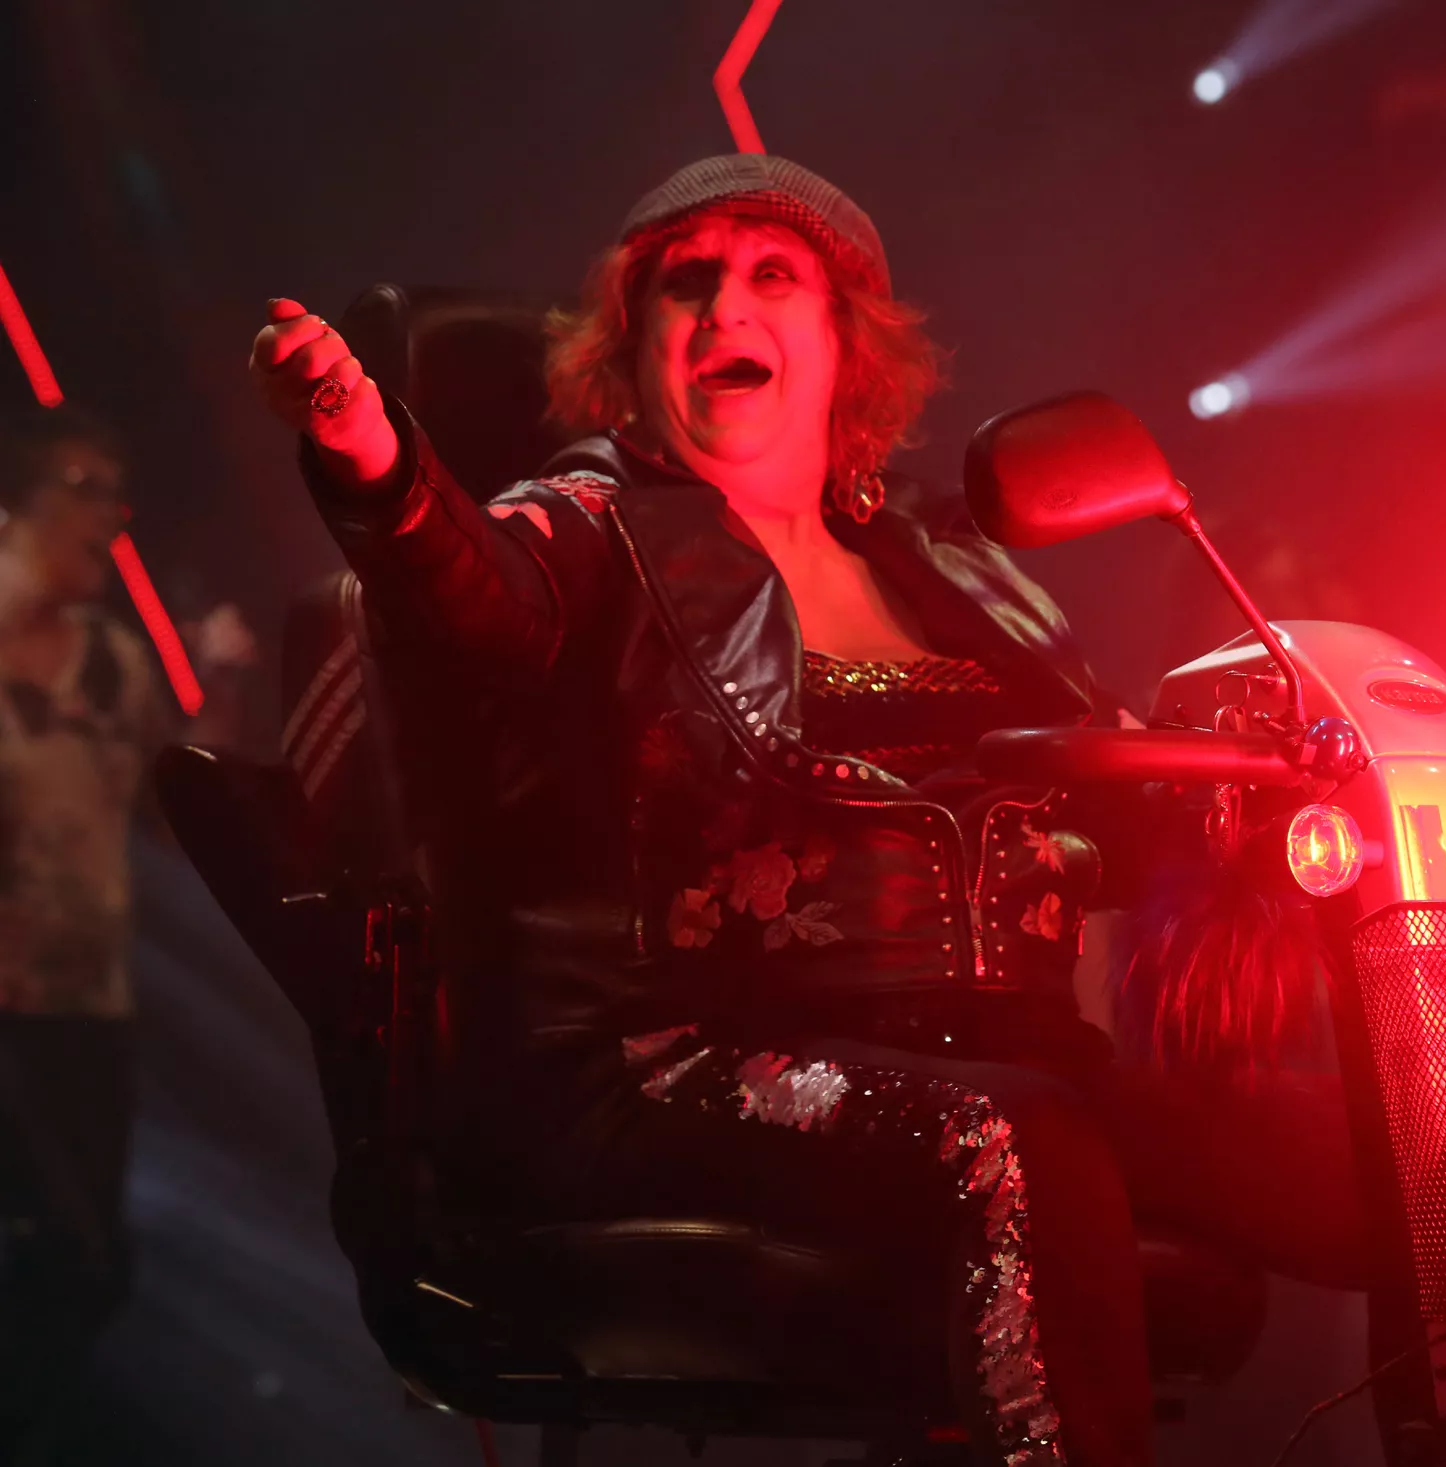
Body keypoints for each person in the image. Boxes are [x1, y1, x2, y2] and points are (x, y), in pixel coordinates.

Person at [249, 154, 1364, 1467]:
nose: (725, 306)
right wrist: (375, 462)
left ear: (847, 347)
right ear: (634, 350)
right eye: (686, 284)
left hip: (1007, 1052)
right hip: (683, 1064)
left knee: (1389, 1152)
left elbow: (1098, 794)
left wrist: (1255, 782)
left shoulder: (950, 568)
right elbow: (469, 588)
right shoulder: (593, 524)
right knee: (1015, 1136)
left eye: (772, 275)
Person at [0, 405, 160, 1463]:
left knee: (96, 1264)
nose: (106, 516)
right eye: (81, 488)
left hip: (91, 1008)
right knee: (63, 1246)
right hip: (4, 1012)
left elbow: (165, 808)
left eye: (115, 493)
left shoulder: (113, 663)